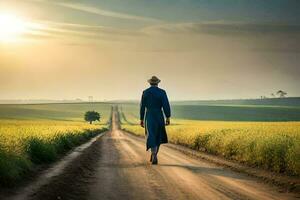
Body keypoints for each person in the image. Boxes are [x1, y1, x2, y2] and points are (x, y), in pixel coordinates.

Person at [140, 76, 171, 165]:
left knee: (151, 134)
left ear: (150, 83)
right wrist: (168, 117)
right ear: (157, 83)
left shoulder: (145, 92)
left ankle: (153, 154)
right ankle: (155, 154)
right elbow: (166, 105)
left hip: (149, 115)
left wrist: (141, 118)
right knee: (158, 135)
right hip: (159, 115)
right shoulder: (162, 92)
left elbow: (142, 107)